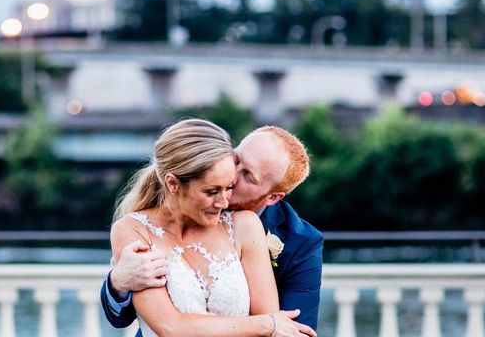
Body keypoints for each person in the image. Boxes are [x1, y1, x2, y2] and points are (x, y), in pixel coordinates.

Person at [102, 122, 323, 335]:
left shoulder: (298, 242)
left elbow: (290, 329)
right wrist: (118, 282)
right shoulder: (138, 227)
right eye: (235, 159)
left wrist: (270, 324)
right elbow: (158, 324)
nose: (232, 174)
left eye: (247, 175)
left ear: (273, 197)